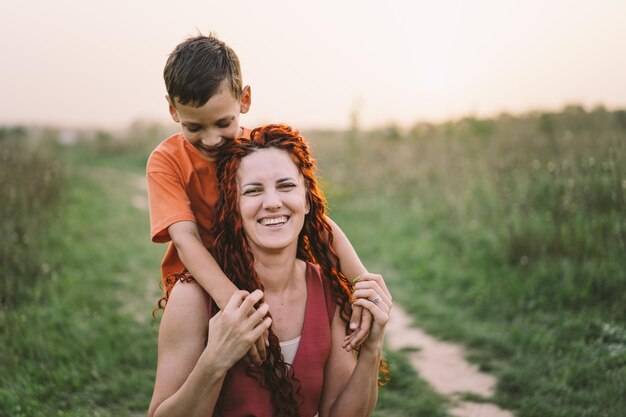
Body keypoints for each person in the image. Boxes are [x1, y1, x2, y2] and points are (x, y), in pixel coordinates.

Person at [146, 33, 373, 361]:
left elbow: (313, 219)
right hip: (203, 290)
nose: (211, 140)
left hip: (261, 274)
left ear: (244, 100)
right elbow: (186, 241)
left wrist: (362, 282)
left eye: (223, 123)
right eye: (194, 128)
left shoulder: (258, 150)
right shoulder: (166, 160)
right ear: (172, 109)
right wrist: (235, 307)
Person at [147, 124, 392, 417]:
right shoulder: (192, 298)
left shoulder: (327, 290)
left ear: (306, 199)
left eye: (286, 186)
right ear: (233, 208)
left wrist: (372, 348)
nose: (273, 203)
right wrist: (215, 361)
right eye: (253, 191)